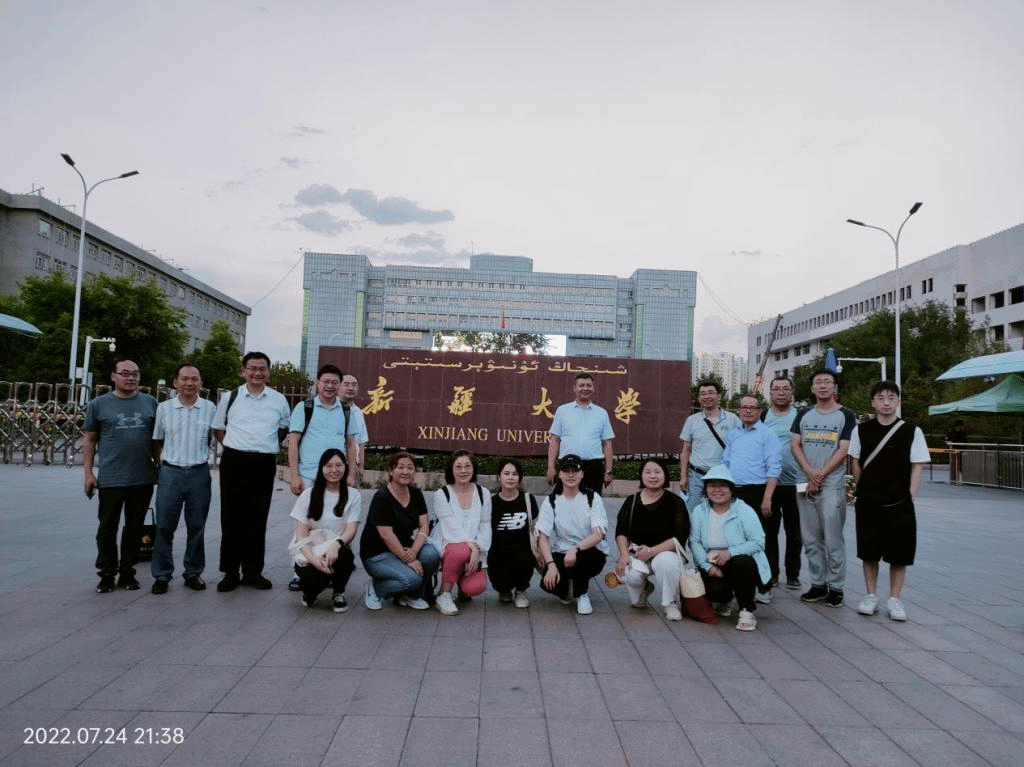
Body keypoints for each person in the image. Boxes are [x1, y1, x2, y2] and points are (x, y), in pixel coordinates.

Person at [849, 381, 930, 621]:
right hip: (869, 501)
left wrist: (910, 495)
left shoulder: (912, 431)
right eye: (881, 398)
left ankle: (895, 599)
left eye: (891, 398)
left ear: (898, 401)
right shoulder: (861, 430)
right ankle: (870, 595)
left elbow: (917, 465)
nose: (886, 403)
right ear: (873, 402)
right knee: (868, 551)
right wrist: (863, 488)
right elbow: (855, 461)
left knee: (900, 553)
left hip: (899, 503)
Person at [212, 351, 291, 592]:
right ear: (243, 371)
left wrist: (262, 446)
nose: (257, 373)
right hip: (234, 461)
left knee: (258, 517)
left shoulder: (278, 399)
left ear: (268, 372)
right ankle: (230, 572)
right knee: (231, 517)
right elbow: (218, 427)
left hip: (263, 462)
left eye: (262, 369)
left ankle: (253, 572)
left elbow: (283, 428)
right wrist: (235, 446)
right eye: (253, 368)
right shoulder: (231, 397)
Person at [83, 359, 158, 593]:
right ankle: (106, 573)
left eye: (135, 373)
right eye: (125, 373)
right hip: (111, 478)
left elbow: (156, 439)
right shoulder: (98, 405)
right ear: (113, 376)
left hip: (142, 477)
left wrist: (159, 465)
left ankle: (127, 572)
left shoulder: (150, 402)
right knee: (107, 527)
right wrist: (88, 473)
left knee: (134, 527)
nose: (131, 378)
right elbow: (89, 439)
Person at [286, 364, 360, 591]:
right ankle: (300, 570)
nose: (329, 386)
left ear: (339, 385)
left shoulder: (346, 410)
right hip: (309, 475)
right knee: (306, 524)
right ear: (318, 383)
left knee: (338, 524)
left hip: (338, 476)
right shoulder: (304, 407)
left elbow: (351, 444)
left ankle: (332, 567)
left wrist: (351, 474)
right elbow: (293, 442)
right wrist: (294, 475)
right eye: (325, 381)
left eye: (334, 382)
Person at [791, 369, 856, 608]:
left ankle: (836, 587)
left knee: (833, 539)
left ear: (835, 387)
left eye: (828, 382)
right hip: (805, 483)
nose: (823, 386)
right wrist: (809, 471)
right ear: (812, 388)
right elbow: (795, 445)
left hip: (831, 486)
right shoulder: (803, 413)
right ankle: (818, 584)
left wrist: (820, 474)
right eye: (818, 382)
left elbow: (844, 449)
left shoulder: (845, 415)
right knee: (810, 537)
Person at [150, 363, 216, 594]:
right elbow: (157, 439)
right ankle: (162, 574)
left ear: (201, 382)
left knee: (196, 526)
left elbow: (213, 436)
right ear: (175, 382)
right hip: (171, 472)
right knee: (164, 526)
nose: (189, 383)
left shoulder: (210, 408)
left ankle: (193, 572)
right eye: (185, 379)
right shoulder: (164, 408)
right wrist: (161, 466)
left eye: (194, 379)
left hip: (199, 472)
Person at [688, 464, 771, 631]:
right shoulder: (699, 511)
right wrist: (708, 567)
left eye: (722, 486)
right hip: (711, 562)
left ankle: (746, 610)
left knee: (742, 563)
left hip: (739, 562)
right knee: (712, 590)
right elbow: (694, 542)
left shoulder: (744, 510)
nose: (717, 490)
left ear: (731, 489)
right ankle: (725, 600)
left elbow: (758, 542)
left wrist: (730, 553)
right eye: (712, 486)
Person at [359, 452, 440, 610]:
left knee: (431, 555)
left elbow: (424, 525)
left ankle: (410, 595)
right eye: (400, 467)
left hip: (405, 548)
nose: (405, 472)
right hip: (378, 555)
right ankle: (376, 588)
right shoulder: (382, 497)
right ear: (391, 471)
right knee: (412, 579)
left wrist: (414, 551)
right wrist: (408, 559)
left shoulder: (416, 494)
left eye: (410, 468)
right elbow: (386, 535)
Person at [613, 457, 690, 621]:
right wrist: (624, 555)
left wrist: (651, 551)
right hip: (637, 553)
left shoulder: (675, 502)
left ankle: (670, 603)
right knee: (629, 574)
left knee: (665, 563)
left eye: (657, 472)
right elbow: (621, 531)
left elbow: (679, 537)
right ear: (641, 476)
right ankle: (644, 588)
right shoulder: (632, 500)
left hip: (666, 552)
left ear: (665, 475)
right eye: (647, 472)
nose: (653, 476)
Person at [289, 448, 364, 612]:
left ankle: (338, 592)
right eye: (329, 466)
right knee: (316, 580)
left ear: (345, 467)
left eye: (339, 465)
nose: (334, 470)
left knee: (345, 557)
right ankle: (310, 593)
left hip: (336, 550)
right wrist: (314, 560)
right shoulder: (308, 495)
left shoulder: (353, 495)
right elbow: (301, 536)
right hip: (311, 551)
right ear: (321, 468)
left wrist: (336, 545)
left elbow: (351, 530)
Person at [722, 395, 781, 603]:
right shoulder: (734, 434)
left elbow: (774, 468)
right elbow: (726, 462)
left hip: (759, 492)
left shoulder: (767, 435)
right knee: (736, 538)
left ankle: (765, 587)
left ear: (759, 411)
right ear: (738, 410)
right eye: (744, 407)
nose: (748, 411)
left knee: (763, 539)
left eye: (752, 408)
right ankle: (739, 583)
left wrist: (767, 498)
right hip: (735, 492)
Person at [537, 454, 609, 615]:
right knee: (551, 585)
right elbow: (543, 536)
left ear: (582, 474)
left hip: (590, 551)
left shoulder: (592, 498)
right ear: (559, 474)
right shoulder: (551, 501)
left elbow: (598, 535)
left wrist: (575, 549)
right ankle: (567, 589)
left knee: (582, 561)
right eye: (566, 471)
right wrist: (551, 564)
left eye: (575, 471)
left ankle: (582, 594)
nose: (571, 475)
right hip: (562, 551)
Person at [430, 450, 492, 616]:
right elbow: (451, 526)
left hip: (475, 547)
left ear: (473, 468)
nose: (463, 471)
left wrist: (478, 548)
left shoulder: (483, 493)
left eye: (467, 466)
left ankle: (461, 585)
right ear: (451, 469)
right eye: (458, 467)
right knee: (460, 550)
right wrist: (472, 547)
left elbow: (485, 526)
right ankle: (444, 593)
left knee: (476, 587)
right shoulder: (442, 494)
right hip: (449, 541)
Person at [761, 376, 803, 590]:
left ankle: (793, 574)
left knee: (795, 532)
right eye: (776, 389)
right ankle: (772, 574)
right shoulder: (763, 416)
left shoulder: (800, 415)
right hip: (769, 485)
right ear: (770, 393)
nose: (781, 392)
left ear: (792, 392)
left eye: (786, 388)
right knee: (769, 532)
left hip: (795, 483)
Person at [546, 372, 615, 495]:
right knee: (562, 503)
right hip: (568, 466)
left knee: (592, 503)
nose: (585, 388)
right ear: (574, 388)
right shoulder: (562, 411)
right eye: (581, 385)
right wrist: (551, 467)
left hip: (593, 468)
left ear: (593, 388)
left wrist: (608, 471)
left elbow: (607, 444)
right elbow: (554, 440)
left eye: (588, 385)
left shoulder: (601, 413)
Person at [488, 458, 539, 608]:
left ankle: (521, 590)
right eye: (506, 473)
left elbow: (536, 527)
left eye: (515, 474)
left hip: (523, 551)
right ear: (499, 477)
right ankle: (504, 590)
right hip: (498, 553)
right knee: (501, 582)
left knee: (524, 558)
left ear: (520, 478)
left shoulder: (528, 499)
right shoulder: (491, 502)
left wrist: (541, 551)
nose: (510, 477)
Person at [679, 379, 740, 502]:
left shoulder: (733, 419)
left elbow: (738, 449)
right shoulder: (692, 420)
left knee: (722, 511)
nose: (706, 397)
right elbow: (686, 450)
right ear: (699, 398)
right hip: (696, 476)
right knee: (694, 511)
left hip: (722, 476)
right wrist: (683, 476)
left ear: (719, 396)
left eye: (710, 393)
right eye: (703, 394)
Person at [341, 373, 369, 487]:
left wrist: (360, 468)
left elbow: (361, 442)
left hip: (353, 468)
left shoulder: (358, 412)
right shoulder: (332, 409)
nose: (350, 388)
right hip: (334, 465)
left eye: (354, 385)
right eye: (346, 384)